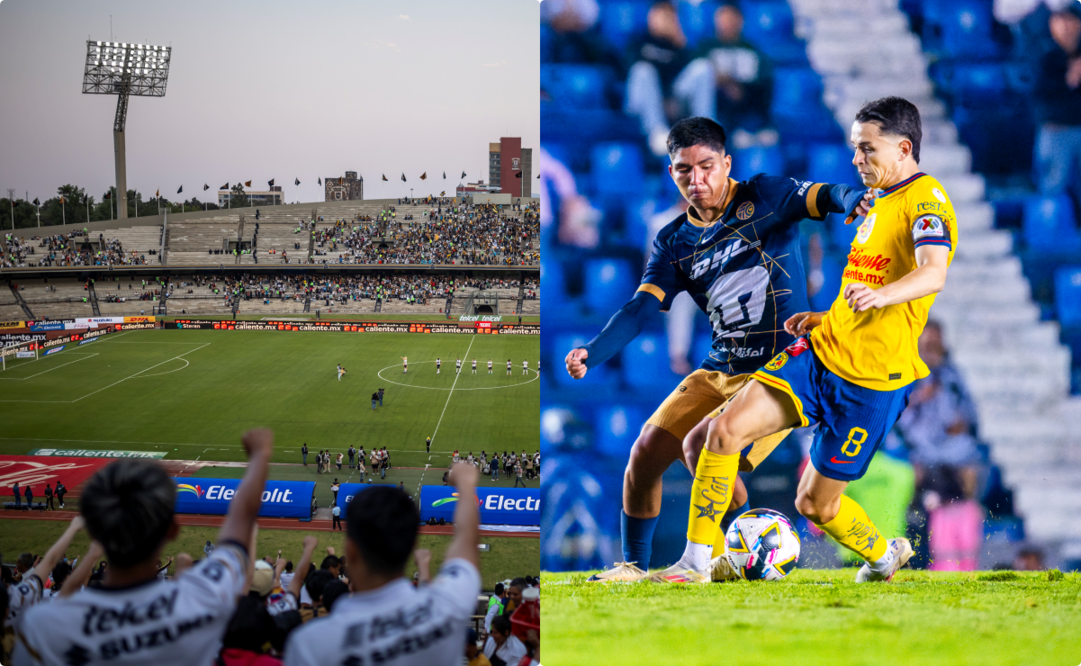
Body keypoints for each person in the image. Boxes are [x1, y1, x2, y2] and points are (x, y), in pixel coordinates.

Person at [564, 116, 868, 583]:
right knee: (644, 454)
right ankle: (636, 567)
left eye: (706, 166)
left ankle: (733, 553)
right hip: (721, 365)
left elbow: (825, 195)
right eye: (685, 170)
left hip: (780, 368)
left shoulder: (764, 195)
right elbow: (640, 308)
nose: (697, 179)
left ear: (726, 163)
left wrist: (855, 199)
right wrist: (594, 350)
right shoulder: (673, 241)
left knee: (703, 447)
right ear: (671, 173)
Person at [673, 96, 956, 584]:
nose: (856, 159)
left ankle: (882, 555)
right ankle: (694, 564)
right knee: (719, 434)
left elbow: (933, 274)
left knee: (815, 505)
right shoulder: (878, 201)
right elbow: (869, 282)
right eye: (854, 147)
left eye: (867, 148)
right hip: (821, 352)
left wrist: (880, 296)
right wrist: (826, 317)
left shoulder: (927, 201)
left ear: (904, 148)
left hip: (872, 383)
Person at [14, 428, 274, 664]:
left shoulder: (43, 628)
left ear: (94, 532)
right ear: (172, 529)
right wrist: (260, 456)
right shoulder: (200, 598)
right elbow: (240, 524)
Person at [282, 463, 482, 665]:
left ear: (351, 551)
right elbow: (466, 544)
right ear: (411, 545)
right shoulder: (445, 607)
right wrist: (465, 486)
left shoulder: (309, 644)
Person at [1033, 6, 1081, 213]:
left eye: (1071, 21)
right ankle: (1049, 227)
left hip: (1079, 126)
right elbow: (1037, 92)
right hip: (1056, 131)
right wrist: (1069, 77)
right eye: (1061, 22)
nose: (1066, 28)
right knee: (1052, 187)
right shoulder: (1042, 53)